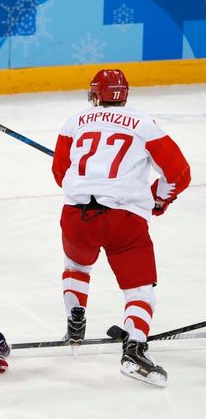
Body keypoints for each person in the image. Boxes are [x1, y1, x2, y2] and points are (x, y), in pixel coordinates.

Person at [51, 68, 191, 387]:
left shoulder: (75, 121)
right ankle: (134, 349)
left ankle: (76, 319)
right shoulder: (143, 124)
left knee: (76, 266)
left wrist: (85, 179)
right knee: (139, 289)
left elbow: (60, 173)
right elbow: (179, 173)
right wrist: (158, 200)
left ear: (96, 94)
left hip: (76, 216)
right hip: (123, 219)